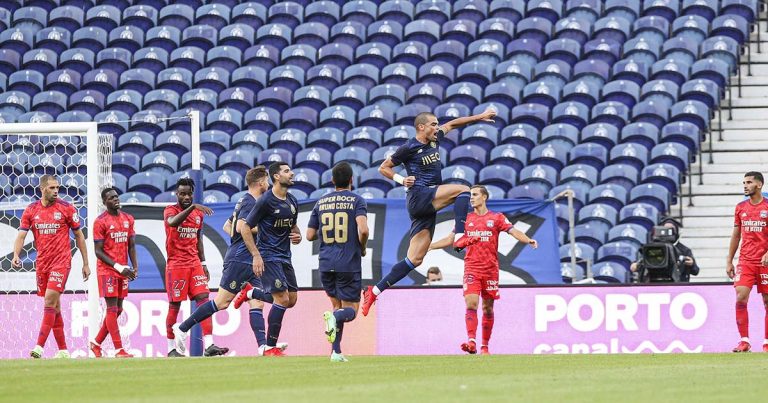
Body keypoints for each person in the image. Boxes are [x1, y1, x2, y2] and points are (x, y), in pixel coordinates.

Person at [362, 109, 497, 316]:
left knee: (415, 259)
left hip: (427, 204)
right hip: (420, 196)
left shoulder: (434, 139)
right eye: (433, 124)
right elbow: (384, 167)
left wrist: (480, 117)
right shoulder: (409, 147)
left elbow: (452, 123)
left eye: (437, 124)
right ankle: (460, 236)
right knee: (463, 190)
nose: (437, 127)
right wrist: (400, 180)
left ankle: (375, 290)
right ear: (421, 127)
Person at [429, 185, 538, 355]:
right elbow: (451, 239)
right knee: (471, 303)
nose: (471, 198)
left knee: (488, 308)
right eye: (470, 195)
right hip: (472, 268)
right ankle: (471, 341)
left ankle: (485, 347)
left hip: (491, 270)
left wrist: (528, 240)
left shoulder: (497, 217)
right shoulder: (465, 219)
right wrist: (430, 246)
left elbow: (513, 231)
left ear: (484, 197)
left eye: (474, 195)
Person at [12, 174, 90, 359]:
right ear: (42, 189)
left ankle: (39, 346)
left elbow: (79, 235)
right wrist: (16, 254)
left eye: (57, 188)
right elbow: (21, 235)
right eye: (52, 188)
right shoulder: (31, 210)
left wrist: (86, 263)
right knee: (54, 307)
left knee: (49, 301)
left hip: (61, 262)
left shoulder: (66, 208)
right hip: (42, 263)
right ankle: (63, 350)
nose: (56, 191)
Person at [230, 161, 302, 357]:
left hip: (285, 256)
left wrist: (298, 236)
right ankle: (270, 347)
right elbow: (244, 227)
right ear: (276, 177)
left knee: (291, 300)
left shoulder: (293, 201)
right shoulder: (265, 201)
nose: (292, 173)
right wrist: (256, 255)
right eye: (287, 171)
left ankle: (251, 293)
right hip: (268, 255)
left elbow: (294, 229)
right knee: (282, 298)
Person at [306, 162, 369, 362]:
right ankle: (335, 334)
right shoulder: (357, 201)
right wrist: (363, 246)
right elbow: (364, 230)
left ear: (332, 181)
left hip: (325, 263)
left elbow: (309, 235)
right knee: (350, 311)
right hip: (348, 263)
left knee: (336, 307)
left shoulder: (321, 202)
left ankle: (336, 352)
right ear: (352, 180)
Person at [163, 177, 228, 357]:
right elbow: (172, 223)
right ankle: (170, 349)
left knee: (204, 300)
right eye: (182, 194)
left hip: (194, 264)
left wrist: (204, 263)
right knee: (174, 305)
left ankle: (209, 345)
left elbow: (198, 240)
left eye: (189, 194)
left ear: (193, 193)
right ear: (177, 194)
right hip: (176, 265)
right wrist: (192, 207)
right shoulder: (170, 210)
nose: (186, 197)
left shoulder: (198, 215)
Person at [89, 187, 138, 358]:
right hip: (107, 270)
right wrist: (118, 266)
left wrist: (135, 266)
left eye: (116, 196)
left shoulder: (128, 219)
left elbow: (131, 245)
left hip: (123, 270)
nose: (116, 199)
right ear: (105, 202)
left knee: (118, 310)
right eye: (111, 198)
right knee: (111, 309)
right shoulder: (100, 221)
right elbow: (98, 251)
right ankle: (119, 349)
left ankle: (96, 343)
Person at [727, 171, 768, 353]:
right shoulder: (740, 208)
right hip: (746, 261)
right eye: (744, 182)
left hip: (765, 262)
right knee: (741, 297)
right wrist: (729, 260)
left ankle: (766, 342)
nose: (745, 185)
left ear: (759, 185)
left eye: (749, 182)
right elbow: (736, 235)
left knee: (767, 301)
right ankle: (744, 341)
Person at [629, 218, 700, 282]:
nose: (668, 232)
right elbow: (635, 266)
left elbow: (696, 271)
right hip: (653, 283)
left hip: (678, 284)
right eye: (665, 229)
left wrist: (692, 264)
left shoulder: (684, 250)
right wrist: (636, 265)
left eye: (671, 229)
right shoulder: (652, 247)